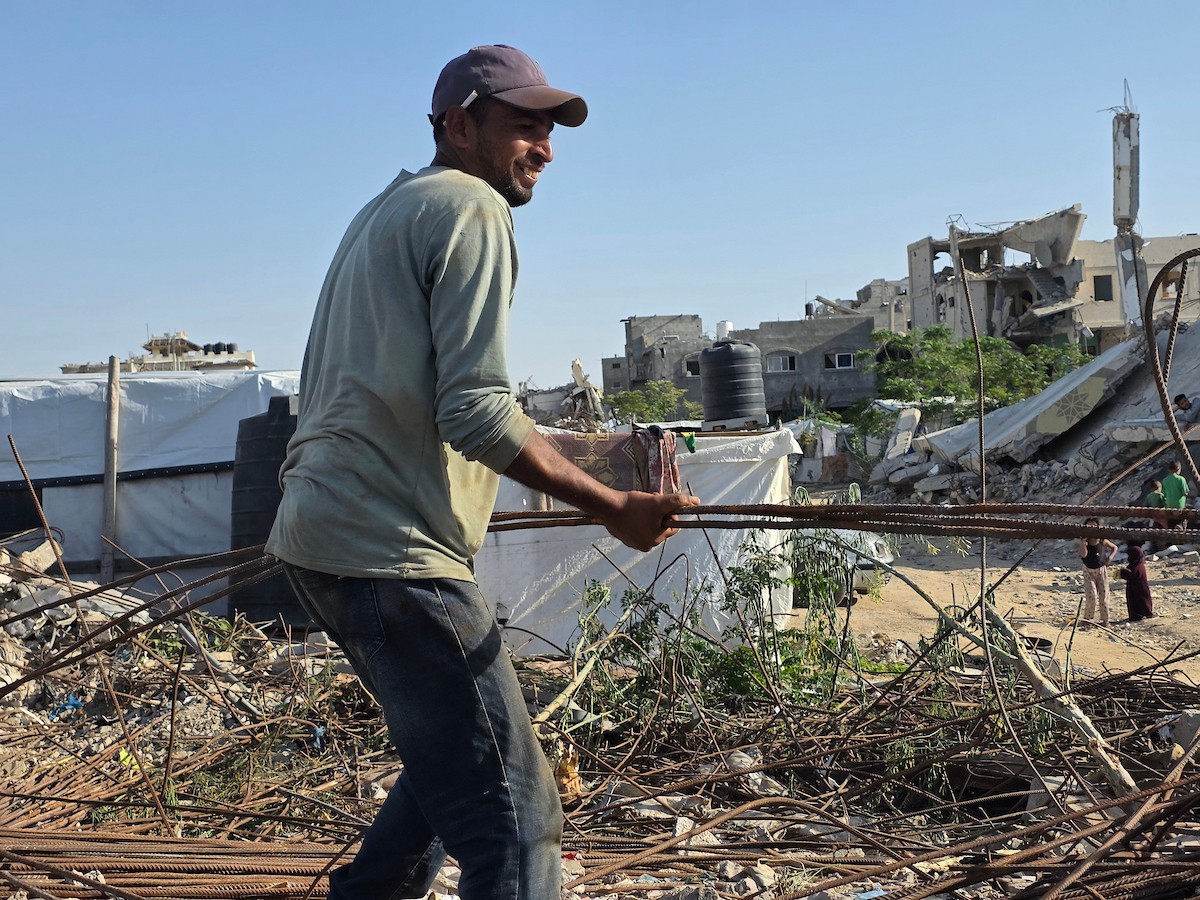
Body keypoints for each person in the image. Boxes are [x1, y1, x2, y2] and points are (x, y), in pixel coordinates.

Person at [265, 45, 699, 900]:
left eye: (549, 129)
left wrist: (607, 466)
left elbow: (427, 401)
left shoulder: (390, 209)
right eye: (524, 126)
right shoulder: (471, 208)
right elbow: (475, 410)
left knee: (448, 765)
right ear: (459, 125)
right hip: (394, 555)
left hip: (328, 541)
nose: (544, 148)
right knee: (518, 817)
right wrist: (614, 506)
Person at [1078, 517, 1117, 627]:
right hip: (1088, 570)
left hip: (1101, 570)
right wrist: (1082, 543)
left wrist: (1110, 558)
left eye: (1094, 526)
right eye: (1088, 526)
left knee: (1104, 595)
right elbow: (1083, 555)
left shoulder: (1102, 541)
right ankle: (1088, 619)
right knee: (1091, 595)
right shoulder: (1086, 542)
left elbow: (1114, 548)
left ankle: (1105, 620)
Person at [1119, 542, 1155, 621]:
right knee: (1143, 600)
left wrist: (1122, 572)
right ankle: (1146, 613)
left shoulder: (1135, 566)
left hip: (1136, 589)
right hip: (1140, 587)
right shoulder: (1139, 564)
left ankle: (1138, 615)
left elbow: (1130, 575)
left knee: (1137, 601)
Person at [1162, 460, 1190, 529]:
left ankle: (1172, 528)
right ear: (1178, 469)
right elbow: (1185, 492)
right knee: (1188, 512)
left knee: (1171, 522)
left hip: (1169, 506)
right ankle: (1181, 526)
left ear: (1168, 470)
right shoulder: (1181, 479)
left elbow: (1164, 493)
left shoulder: (1165, 480)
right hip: (1179, 506)